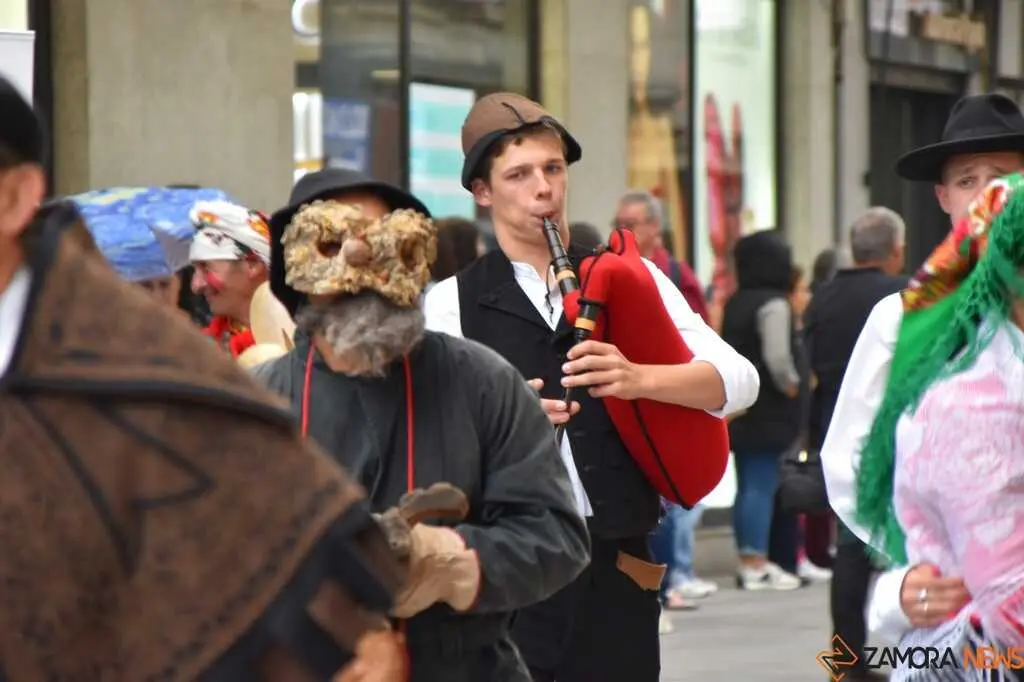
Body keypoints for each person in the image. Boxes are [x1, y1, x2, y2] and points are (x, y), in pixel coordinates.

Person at [0, 75, 409, 681]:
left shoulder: (155, 371)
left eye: (207, 268)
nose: (198, 284)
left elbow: (305, 572)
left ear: (15, 197)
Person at [425, 91, 759, 682]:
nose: (544, 189)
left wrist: (639, 377)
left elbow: (740, 381)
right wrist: (502, 420)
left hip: (617, 564)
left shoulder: (629, 275)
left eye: (553, 169)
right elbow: (428, 435)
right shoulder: (450, 303)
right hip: (509, 567)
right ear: (482, 191)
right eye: (519, 175)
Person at [254, 167, 591, 682]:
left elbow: (558, 539)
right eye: (335, 243)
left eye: (385, 243)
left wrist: (449, 560)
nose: (363, 269)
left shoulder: (484, 382)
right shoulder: (256, 405)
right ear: (296, 270)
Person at [821, 92, 1024, 647]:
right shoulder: (903, 319)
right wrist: (910, 564)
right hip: (954, 604)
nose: (986, 196)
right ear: (943, 197)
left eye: (1002, 178)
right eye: (967, 180)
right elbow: (850, 457)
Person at [806, 207, 908, 681]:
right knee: (899, 547)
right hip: (890, 435)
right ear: (896, 251)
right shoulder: (904, 297)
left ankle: (844, 660)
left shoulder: (822, 297)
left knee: (849, 547)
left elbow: (807, 363)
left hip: (837, 430)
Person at [188, 200, 272, 357]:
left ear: (253, 264)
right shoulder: (197, 353)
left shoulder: (303, 342)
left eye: (206, 267)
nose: (196, 285)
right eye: (195, 270)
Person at [614, 189, 709, 322]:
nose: (621, 231)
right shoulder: (610, 268)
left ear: (654, 225)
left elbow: (697, 328)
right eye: (617, 224)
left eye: (629, 225)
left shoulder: (676, 273)